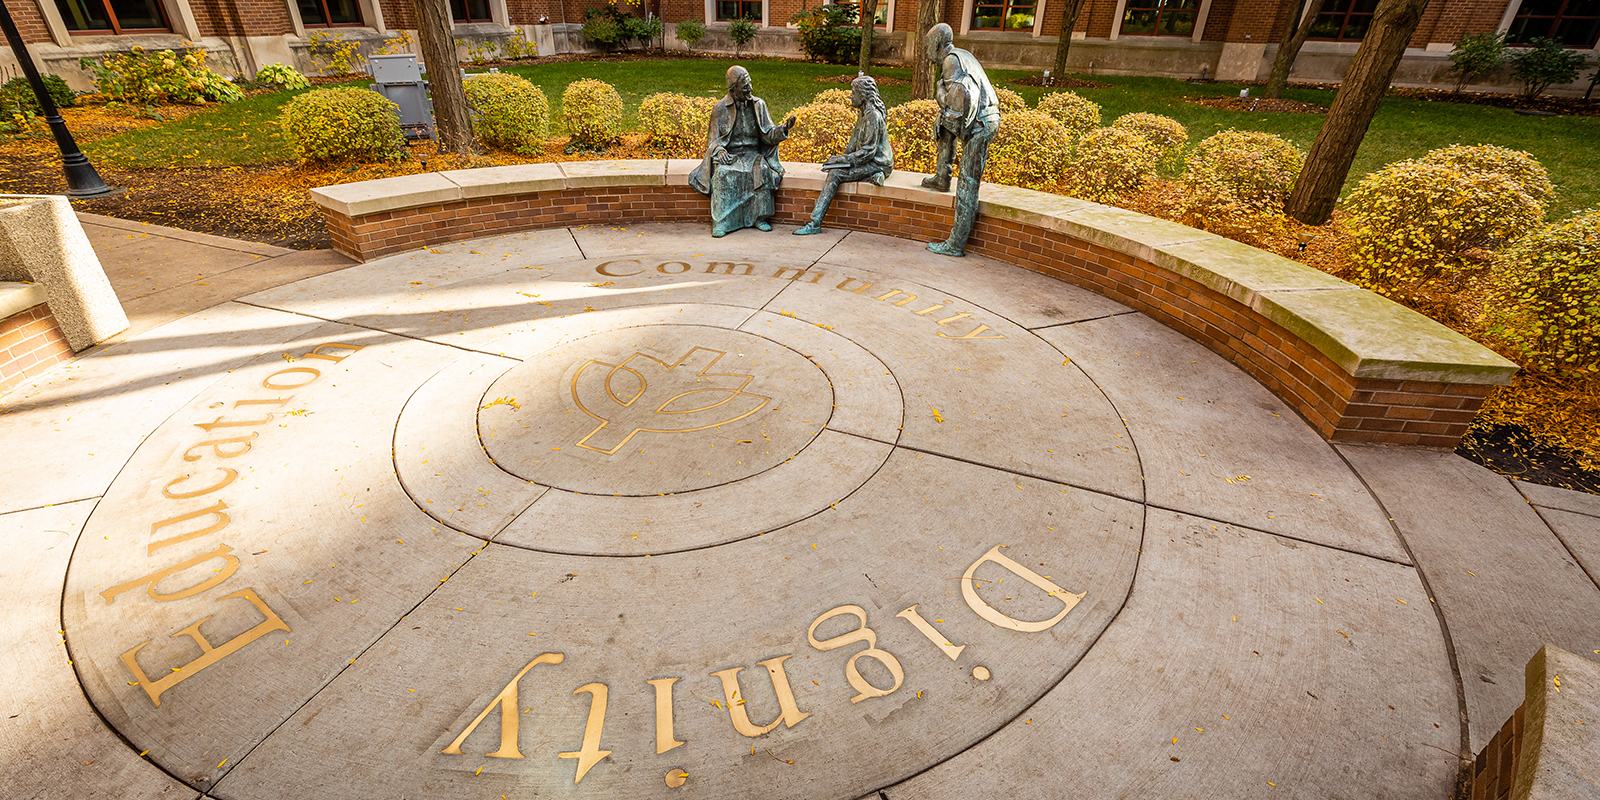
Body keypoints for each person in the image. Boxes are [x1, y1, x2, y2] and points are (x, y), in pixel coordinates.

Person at [920, 22, 1000, 257]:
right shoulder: (960, 54)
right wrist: (941, 117)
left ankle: (955, 244)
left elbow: (955, 105)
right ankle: (942, 177)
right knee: (942, 124)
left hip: (981, 125)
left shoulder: (951, 61)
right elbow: (954, 109)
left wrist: (938, 92)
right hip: (979, 118)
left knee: (968, 182)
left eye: (927, 44)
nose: (925, 49)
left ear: (936, 44)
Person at [690, 66, 797, 238]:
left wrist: (783, 129)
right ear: (733, 89)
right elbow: (713, 140)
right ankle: (722, 222)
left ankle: (759, 218)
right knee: (723, 175)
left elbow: (768, 134)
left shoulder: (758, 105)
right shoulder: (720, 109)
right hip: (731, 155)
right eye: (745, 86)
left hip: (753, 154)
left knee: (762, 171)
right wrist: (719, 150)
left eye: (750, 83)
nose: (750, 89)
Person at [794, 74, 894, 236]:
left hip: (877, 162)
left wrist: (840, 162)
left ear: (863, 95)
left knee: (835, 174)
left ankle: (815, 222)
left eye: (853, 92)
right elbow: (853, 145)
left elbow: (868, 152)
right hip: (867, 160)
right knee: (835, 168)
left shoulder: (872, 116)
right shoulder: (863, 113)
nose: (850, 95)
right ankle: (875, 176)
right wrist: (839, 160)